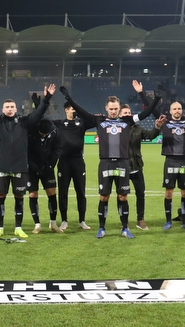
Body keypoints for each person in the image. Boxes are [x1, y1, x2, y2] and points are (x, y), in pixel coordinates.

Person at [60, 81, 159, 239]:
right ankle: (102, 228)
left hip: (122, 163)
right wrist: (68, 98)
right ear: (106, 108)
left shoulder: (127, 121)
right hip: (105, 163)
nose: (113, 111)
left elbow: (146, 113)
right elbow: (81, 111)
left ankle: (125, 228)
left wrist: (156, 99)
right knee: (104, 197)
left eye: (115, 109)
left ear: (119, 109)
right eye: (111, 109)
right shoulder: (99, 121)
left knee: (123, 196)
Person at [0, 77, 54, 239]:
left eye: (12, 106)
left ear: (16, 108)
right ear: (3, 108)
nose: (10, 109)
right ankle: (0, 228)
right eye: (7, 107)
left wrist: (47, 98)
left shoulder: (24, 122)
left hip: (20, 166)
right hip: (2, 166)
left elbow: (38, 113)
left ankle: (18, 227)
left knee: (19, 197)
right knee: (1, 197)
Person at [151, 100, 185, 231]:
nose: (177, 111)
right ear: (170, 111)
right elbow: (152, 109)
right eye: (175, 109)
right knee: (169, 192)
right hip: (170, 160)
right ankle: (168, 221)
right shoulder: (165, 122)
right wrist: (141, 93)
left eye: (179, 108)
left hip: (183, 161)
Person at [53, 92, 93, 231]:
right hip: (63, 162)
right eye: (72, 108)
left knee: (80, 191)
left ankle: (82, 220)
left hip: (78, 161)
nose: (74, 110)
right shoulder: (59, 124)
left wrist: (80, 113)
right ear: (66, 110)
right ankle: (64, 220)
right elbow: (43, 122)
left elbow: (92, 120)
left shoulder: (82, 123)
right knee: (63, 192)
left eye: (75, 108)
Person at [119, 101, 161, 231]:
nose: (127, 115)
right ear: (120, 115)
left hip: (137, 166)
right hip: (122, 167)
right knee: (122, 196)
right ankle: (123, 221)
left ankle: (140, 219)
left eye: (129, 113)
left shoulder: (137, 128)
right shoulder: (117, 128)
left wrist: (157, 127)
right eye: (125, 113)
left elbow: (150, 136)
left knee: (140, 194)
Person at [27, 113, 61, 234]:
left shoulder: (54, 131)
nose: (44, 136)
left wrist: (51, 164)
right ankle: (37, 224)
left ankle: (53, 223)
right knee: (32, 194)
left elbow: (57, 149)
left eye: (45, 134)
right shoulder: (30, 131)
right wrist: (34, 167)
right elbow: (26, 151)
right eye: (42, 134)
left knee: (52, 193)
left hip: (48, 167)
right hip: (32, 169)